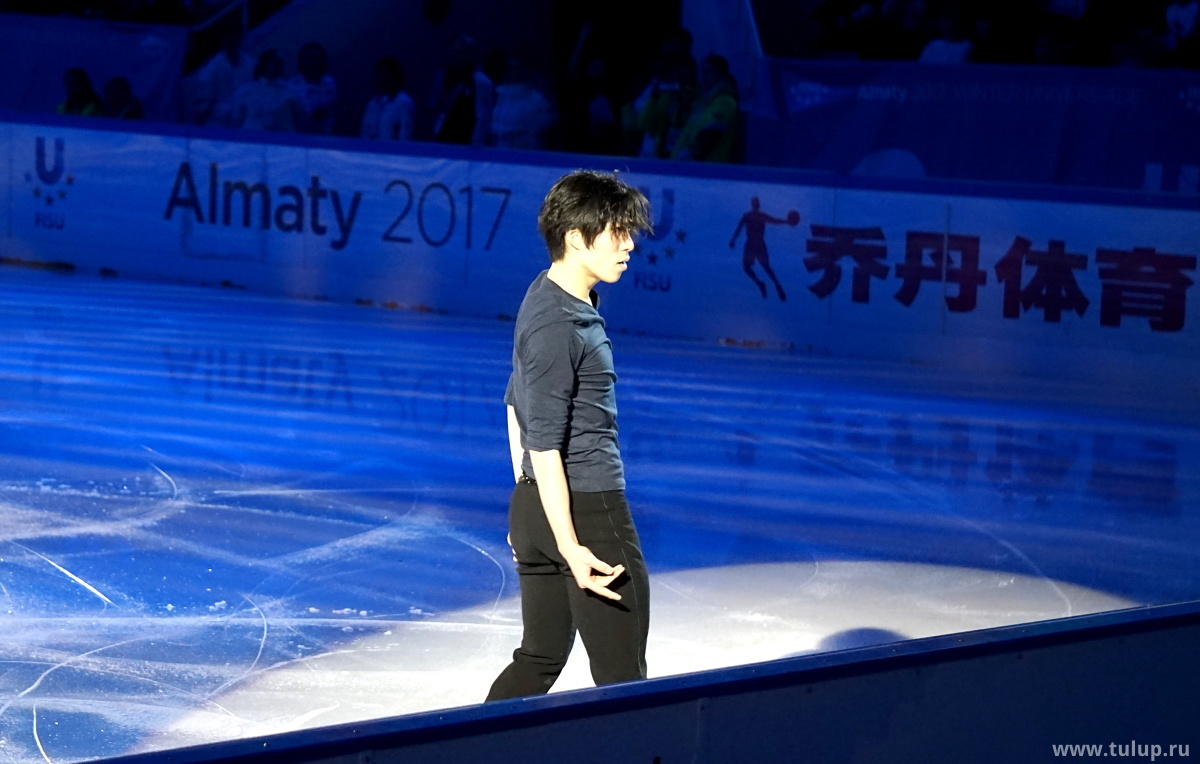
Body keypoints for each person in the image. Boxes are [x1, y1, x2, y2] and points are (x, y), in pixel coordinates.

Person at [486, 170, 652, 701]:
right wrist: (570, 545)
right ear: (576, 238)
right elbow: (543, 442)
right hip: (588, 514)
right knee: (624, 682)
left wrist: (527, 502)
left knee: (538, 659)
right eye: (617, 232)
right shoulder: (560, 325)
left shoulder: (547, 293)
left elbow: (515, 404)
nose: (629, 245)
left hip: (542, 507)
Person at [729, 196, 790, 300]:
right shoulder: (748, 216)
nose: (755, 205)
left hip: (758, 244)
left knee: (765, 267)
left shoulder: (758, 216)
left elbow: (774, 221)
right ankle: (763, 284)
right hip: (752, 244)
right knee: (748, 267)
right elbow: (739, 228)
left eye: (756, 203)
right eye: (754, 203)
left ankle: (776, 285)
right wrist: (733, 239)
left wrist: (786, 221)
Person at [232, 50, 304, 132]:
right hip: (252, 136)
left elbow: (301, 119)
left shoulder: (293, 92)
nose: (279, 66)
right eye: (275, 62)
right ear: (264, 64)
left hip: (283, 137)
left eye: (280, 63)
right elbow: (236, 119)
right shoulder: (245, 91)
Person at [287, 41, 338, 134]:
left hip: (324, 135)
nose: (312, 62)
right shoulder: (291, 85)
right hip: (299, 135)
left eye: (316, 57)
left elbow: (327, 111)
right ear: (301, 61)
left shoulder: (329, 83)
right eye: (308, 57)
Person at [360, 56, 414, 141]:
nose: (382, 78)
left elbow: (405, 135)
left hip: (392, 149)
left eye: (386, 74)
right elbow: (364, 133)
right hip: (370, 149)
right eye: (379, 74)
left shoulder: (404, 102)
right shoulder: (372, 103)